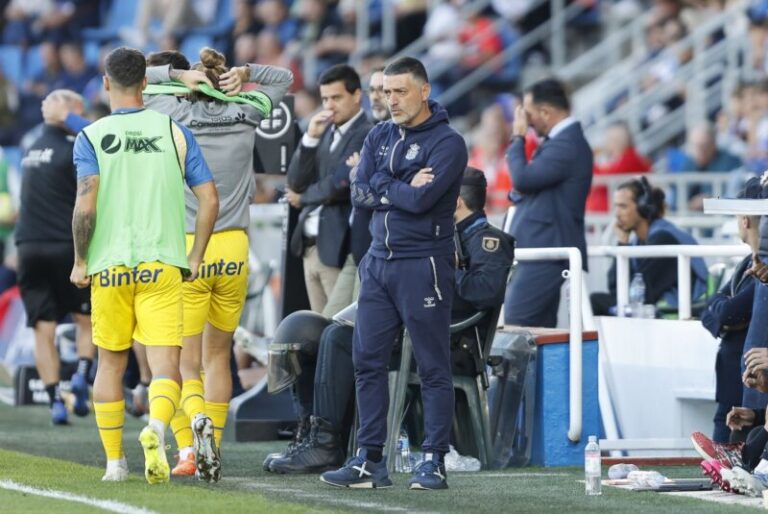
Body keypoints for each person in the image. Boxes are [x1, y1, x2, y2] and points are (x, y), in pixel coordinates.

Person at [266, 166, 514, 475]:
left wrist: (437, 269)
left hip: (451, 346)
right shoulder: (438, 236)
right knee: (322, 332)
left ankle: (329, 445)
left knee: (339, 340)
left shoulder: (489, 240)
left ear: (454, 203)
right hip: (414, 330)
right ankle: (318, 435)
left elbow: (485, 292)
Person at [142, 47, 293, 481]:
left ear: (194, 79)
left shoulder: (175, 113)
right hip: (234, 249)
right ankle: (216, 447)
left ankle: (189, 449)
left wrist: (178, 75)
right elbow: (283, 78)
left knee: (180, 363)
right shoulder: (247, 108)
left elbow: (131, 78)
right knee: (217, 357)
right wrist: (246, 73)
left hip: (190, 248)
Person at [70, 47, 218, 484]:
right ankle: (155, 427)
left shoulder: (91, 136)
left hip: (111, 265)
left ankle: (115, 464)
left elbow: (85, 205)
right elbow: (209, 198)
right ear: (146, 85)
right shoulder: (173, 130)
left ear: (105, 83)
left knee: (110, 364)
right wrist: (195, 256)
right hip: (162, 264)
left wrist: (80, 260)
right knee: (165, 365)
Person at [321, 56, 467, 490]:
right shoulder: (380, 134)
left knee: (432, 363)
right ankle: (370, 460)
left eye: (400, 91)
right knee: (366, 362)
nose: (391, 99)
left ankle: (434, 461)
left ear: (424, 91)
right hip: (378, 263)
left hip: (423, 264)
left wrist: (380, 184)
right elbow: (358, 191)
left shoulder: (448, 142)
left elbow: (420, 202)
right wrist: (397, 184)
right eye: (386, 91)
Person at [15, 89, 94, 426]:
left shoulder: (30, 148)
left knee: (42, 329)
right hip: (65, 245)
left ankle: (53, 402)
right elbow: (100, 138)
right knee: (85, 319)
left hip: (28, 246)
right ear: (71, 111)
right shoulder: (76, 147)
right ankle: (80, 376)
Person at [504, 78, 593, 328]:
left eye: (529, 113)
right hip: (542, 249)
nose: (527, 121)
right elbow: (531, 185)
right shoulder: (562, 143)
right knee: (536, 333)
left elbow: (522, 178)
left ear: (546, 111)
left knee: (518, 327)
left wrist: (517, 137)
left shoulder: (567, 143)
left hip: (547, 250)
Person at [285, 64, 372, 316]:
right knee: (316, 333)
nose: (329, 105)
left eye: (336, 98)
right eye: (325, 99)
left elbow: (340, 184)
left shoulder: (366, 133)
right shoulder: (322, 132)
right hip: (309, 247)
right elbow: (295, 181)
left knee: (336, 327)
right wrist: (310, 138)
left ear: (357, 95)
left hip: (338, 245)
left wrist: (303, 198)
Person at [590, 177, 709, 315]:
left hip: (677, 312)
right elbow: (617, 291)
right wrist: (623, 243)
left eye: (623, 206)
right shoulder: (637, 242)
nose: (617, 214)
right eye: (616, 206)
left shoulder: (664, 239)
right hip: (653, 307)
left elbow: (640, 295)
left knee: (596, 301)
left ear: (643, 208)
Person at [700, 178, 760, 442]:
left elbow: (726, 311)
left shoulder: (761, 265)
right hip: (732, 389)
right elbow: (710, 308)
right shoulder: (747, 261)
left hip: (751, 391)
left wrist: (724, 313)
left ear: (745, 219)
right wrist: (724, 313)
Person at [586, 121, 652, 213]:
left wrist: (590, 160)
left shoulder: (630, 157)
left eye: (610, 139)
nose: (606, 143)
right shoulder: (620, 157)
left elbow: (606, 177)